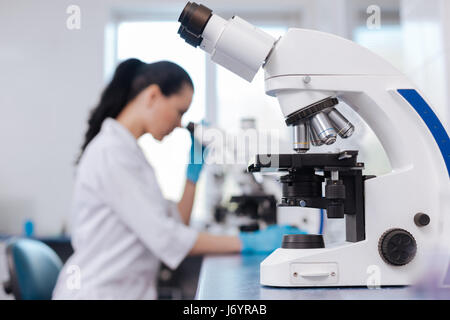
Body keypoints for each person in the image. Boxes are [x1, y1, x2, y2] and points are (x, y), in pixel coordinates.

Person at [52, 58, 303, 300]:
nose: (180, 123)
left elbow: (175, 222)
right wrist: (248, 242)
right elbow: (167, 237)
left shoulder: (129, 153)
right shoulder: (112, 153)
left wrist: (192, 173)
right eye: (179, 111)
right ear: (152, 95)